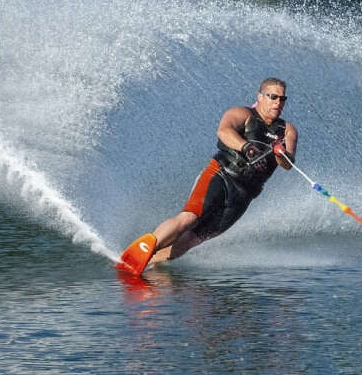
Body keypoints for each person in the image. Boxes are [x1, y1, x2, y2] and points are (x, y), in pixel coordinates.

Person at [117, 78, 298, 275]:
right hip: (221, 175)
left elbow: (288, 165)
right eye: (273, 97)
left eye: (282, 99)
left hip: (245, 195)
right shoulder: (242, 114)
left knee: (194, 239)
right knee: (189, 218)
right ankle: (145, 248)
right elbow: (224, 131)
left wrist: (281, 154)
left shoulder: (287, 130)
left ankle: (148, 263)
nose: (277, 102)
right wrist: (245, 146)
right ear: (260, 97)